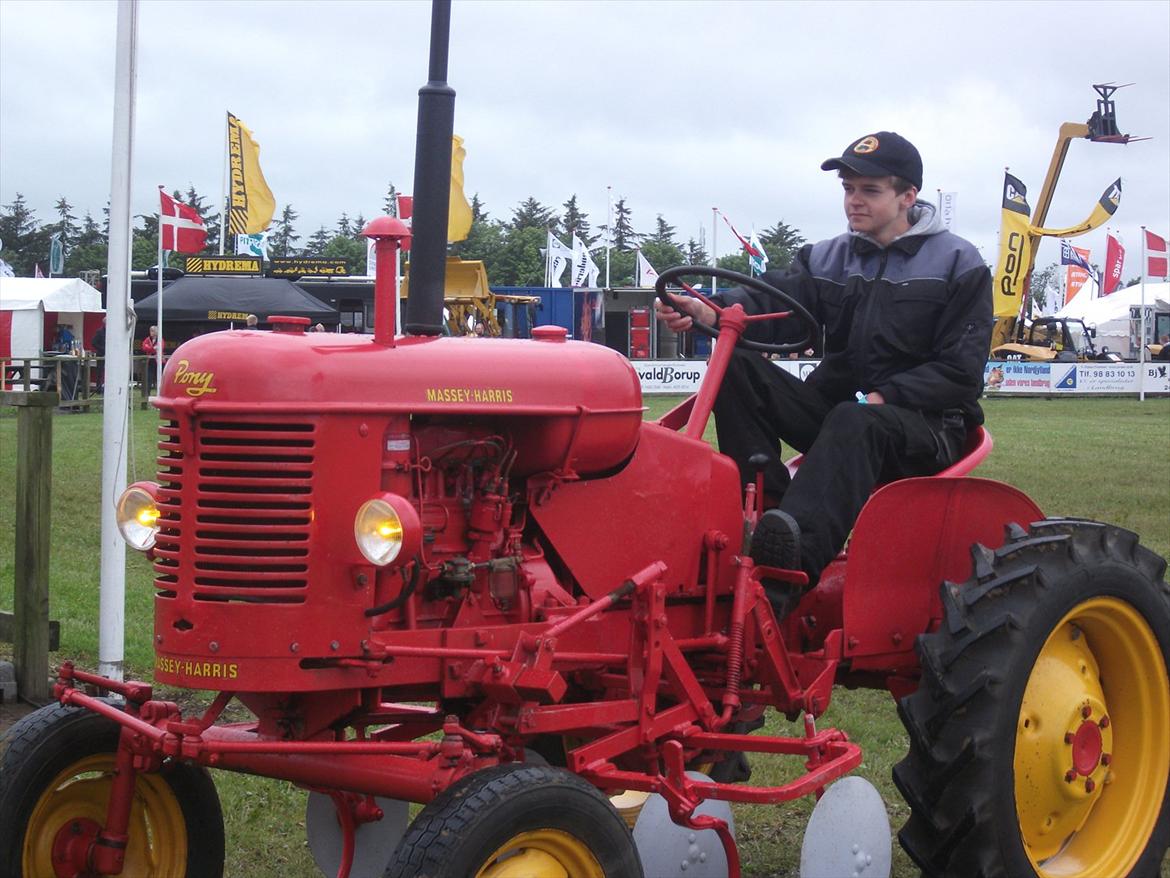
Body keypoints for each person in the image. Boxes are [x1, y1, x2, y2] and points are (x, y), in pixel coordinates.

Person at [656, 131, 993, 615]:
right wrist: (710, 311)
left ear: (908, 196)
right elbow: (773, 304)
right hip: (842, 413)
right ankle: (769, 516)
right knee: (737, 364)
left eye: (869, 191)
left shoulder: (957, 263)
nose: (854, 201)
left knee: (855, 419)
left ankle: (788, 568)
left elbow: (961, 372)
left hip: (924, 425)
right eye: (848, 189)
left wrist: (884, 397)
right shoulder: (828, 257)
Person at [141, 325, 161, 394]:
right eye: (150, 330)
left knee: (159, 377)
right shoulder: (147, 339)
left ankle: (161, 393)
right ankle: (147, 393)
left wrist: (150, 349)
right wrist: (152, 348)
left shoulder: (160, 339)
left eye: (153, 330)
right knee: (148, 378)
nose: (151, 332)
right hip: (149, 361)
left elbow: (160, 348)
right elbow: (144, 347)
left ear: (157, 331)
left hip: (158, 362)